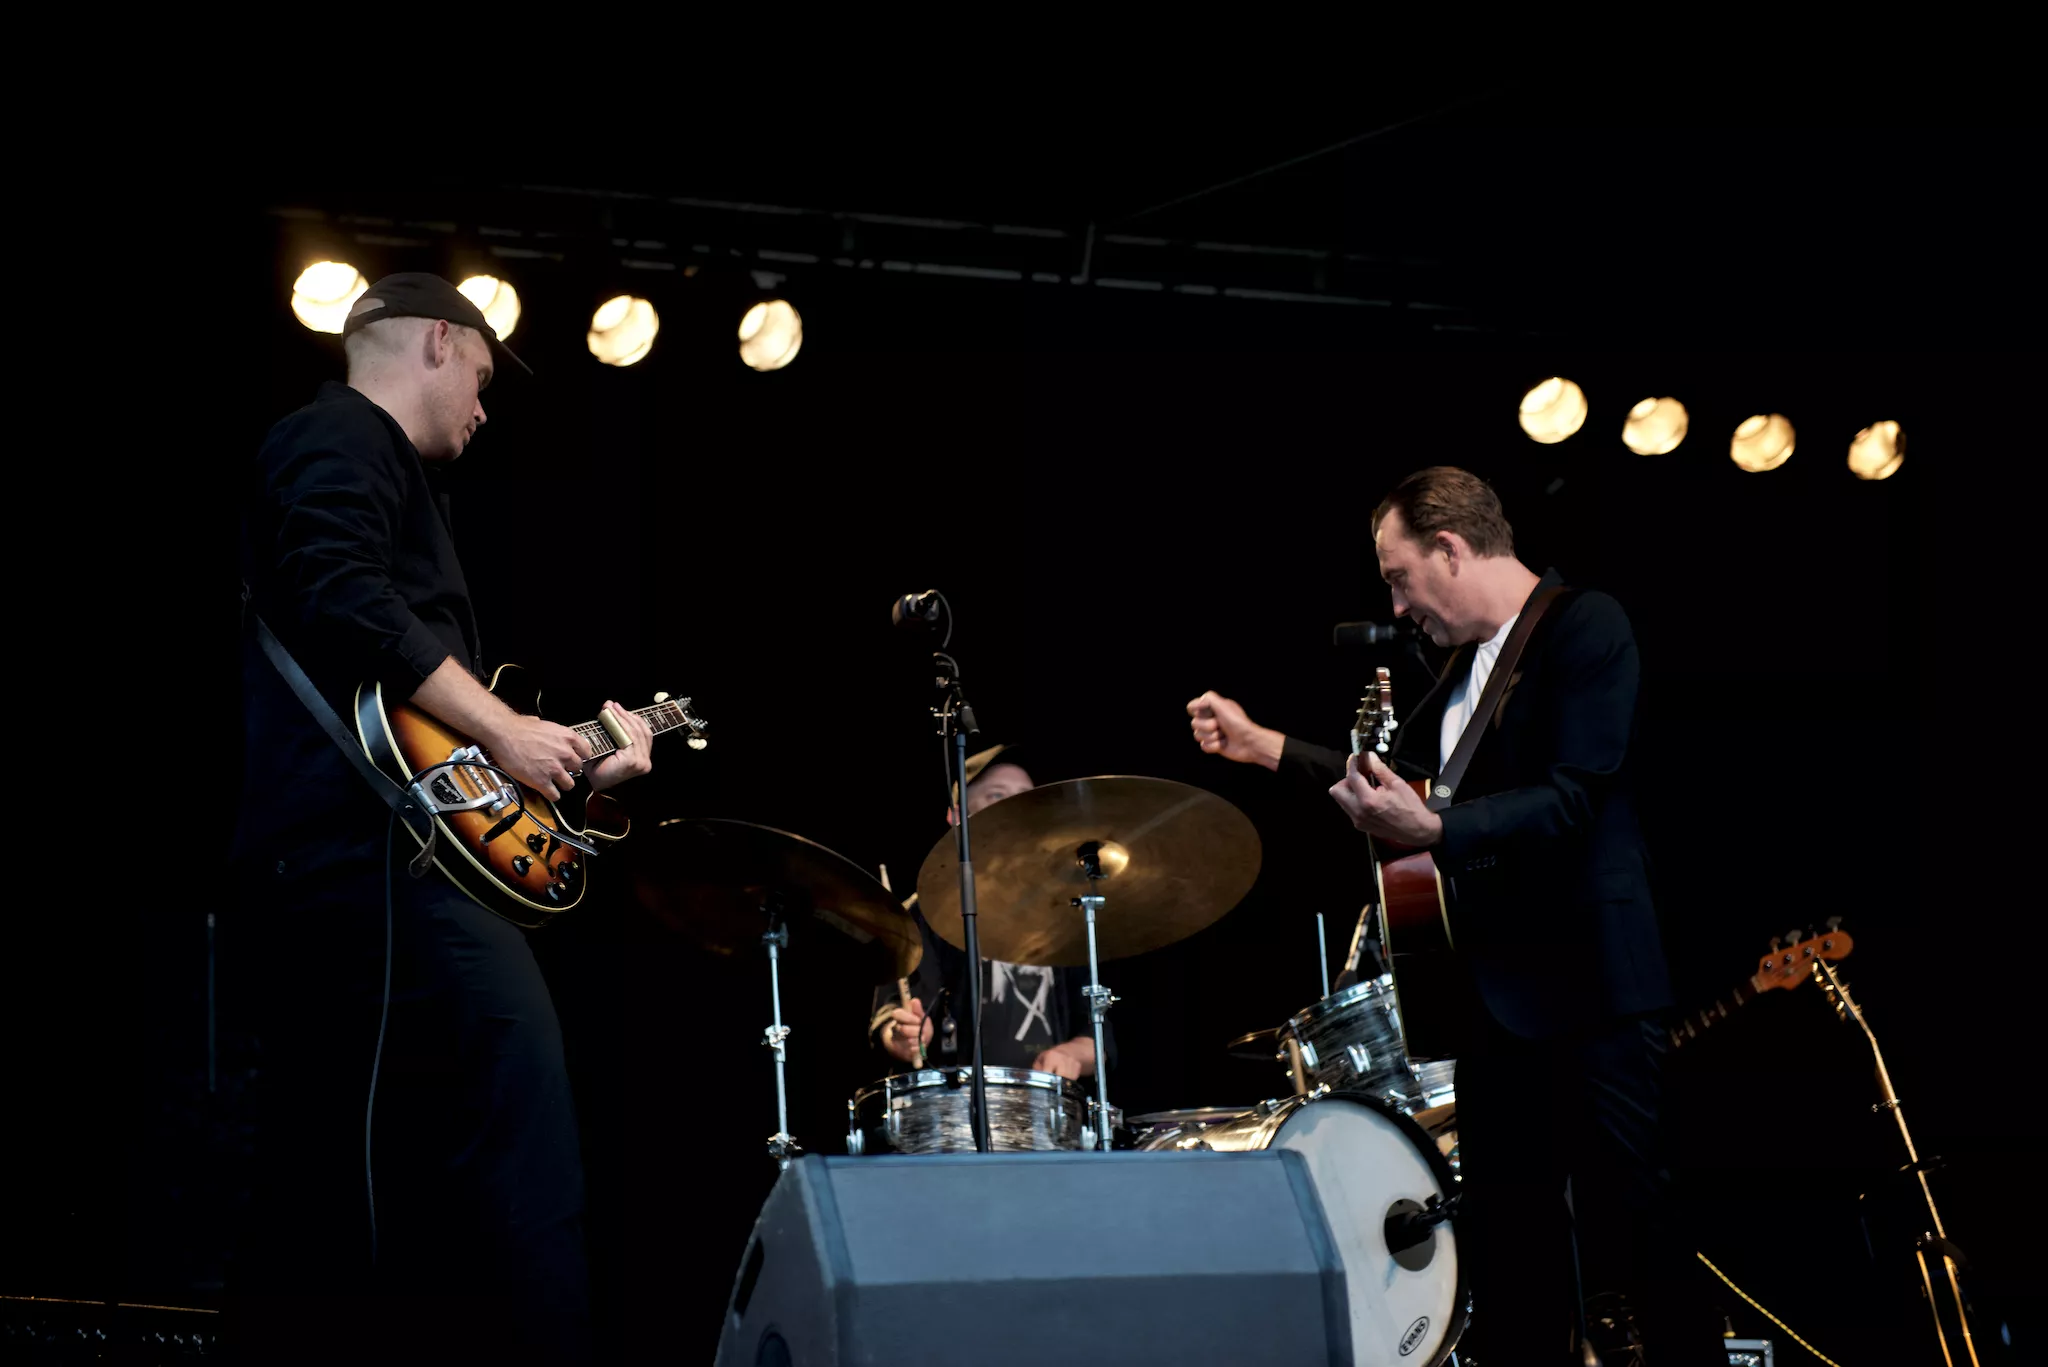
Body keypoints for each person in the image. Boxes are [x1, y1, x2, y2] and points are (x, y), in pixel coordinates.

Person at [1188, 466, 1719, 1365]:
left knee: (1644, 1237)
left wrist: (1437, 827)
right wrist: (1265, 746)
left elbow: (1575, 795)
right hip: (1496, 1010)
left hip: (1593, 994)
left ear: (1450, 547)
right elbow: (1403, 794)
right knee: (1513, 1259)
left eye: (1399, 577)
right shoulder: (1463, 674)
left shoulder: (1585, 626)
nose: (1397, 606)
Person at [230, 274, 655, 1365]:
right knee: (523, 1136)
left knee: (433, 1160)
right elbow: (337, 590)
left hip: (397, 852)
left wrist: (574, 766)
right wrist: (505, 726)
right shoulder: (337, 433)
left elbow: (431, 737)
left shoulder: (391, 471)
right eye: (479, 372)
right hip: (369, 858)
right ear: (434, 340)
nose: (483, 404)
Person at [870, 744, 1101, 1083]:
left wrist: (1072, 1054)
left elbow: (1098, 1036)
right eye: (997, 796)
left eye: (1024, 798)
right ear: (957, 816)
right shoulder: (925, 912)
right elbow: (892, 1020)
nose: (1014, 807)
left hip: (1049, 1104)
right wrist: (903, 1035)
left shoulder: (1064, 911)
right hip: (954, 1104)